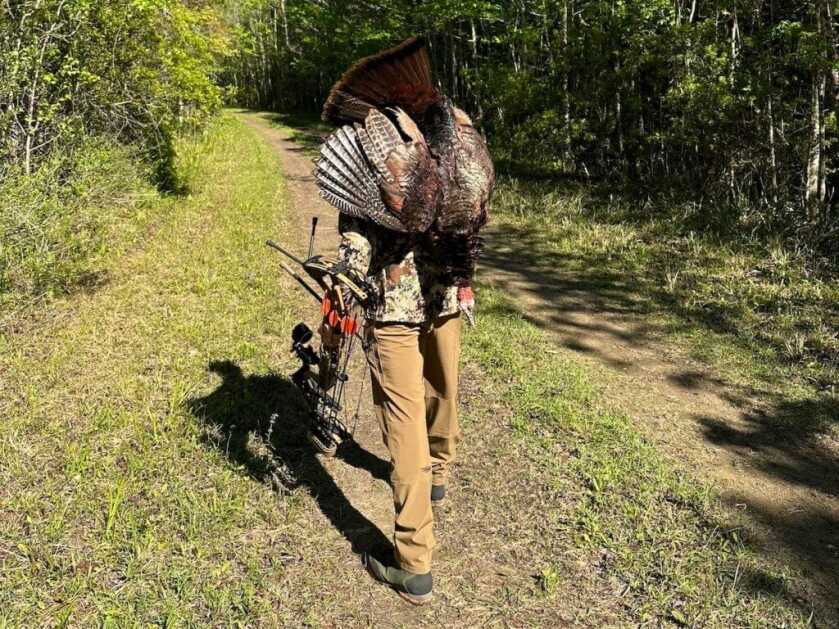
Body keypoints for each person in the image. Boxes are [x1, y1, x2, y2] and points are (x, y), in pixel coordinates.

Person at [331, 213, 473, 605]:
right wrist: (465, 275)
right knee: (443, 385)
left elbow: (358, 236)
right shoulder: (454, 147)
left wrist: (345, 277)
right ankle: (438, 473)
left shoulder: (372, 150)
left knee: (404, 421)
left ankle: (413, 564)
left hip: (394, 300)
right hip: (444, 287)